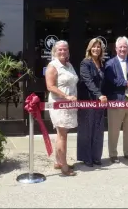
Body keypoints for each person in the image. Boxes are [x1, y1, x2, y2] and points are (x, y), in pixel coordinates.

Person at [104, 36, 128, 163]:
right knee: (114, 129)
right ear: (116, 48)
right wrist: (127, 83)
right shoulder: (110, 63)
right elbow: (113, 81)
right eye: (120, 47)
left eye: (125, 47)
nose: (122, 49)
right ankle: (113, 154)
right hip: (116, 100)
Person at [45, 40, 78, 176]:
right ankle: (64, 167)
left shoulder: (69, 65)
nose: (63, 52)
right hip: (59, 104)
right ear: (55, 51)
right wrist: (66, 96)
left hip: (69, 105)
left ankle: (59, 161)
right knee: (62, 135)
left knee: (61, 134)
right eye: (60, 50)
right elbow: (50, 86)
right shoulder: (52, 66)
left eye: (65, 49)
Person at [77, 38, 108, 167]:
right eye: (94, 47)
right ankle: (86, 157)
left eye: (98, 47)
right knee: (87, 130)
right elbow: (88, 81)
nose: (96, 49)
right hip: (88, 101)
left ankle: (96, 156)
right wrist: (99, 95)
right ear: (89, 48)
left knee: (98, 129)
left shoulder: (101, 63)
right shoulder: (85, 63)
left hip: (99, 103)